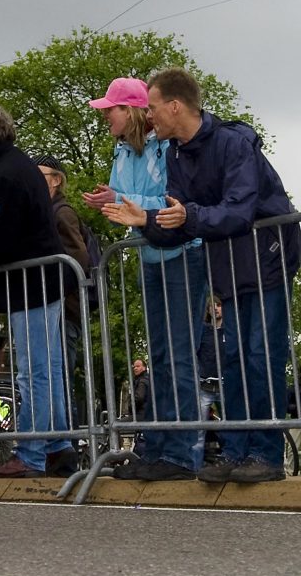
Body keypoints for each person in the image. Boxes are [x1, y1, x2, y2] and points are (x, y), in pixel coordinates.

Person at [104, 67, 300, 484]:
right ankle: (236, 451)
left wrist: (185, 216)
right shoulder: (176, 153)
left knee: (260, 354)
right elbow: (179, 219)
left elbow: (238, 209)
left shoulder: (234, 142)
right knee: (233, 358)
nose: (148, 115)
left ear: (175, 106)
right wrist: (146, 219)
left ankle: (265, 453)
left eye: (153, 107)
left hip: (266, 257)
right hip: (228, 263)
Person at [84, 75, 205, 481]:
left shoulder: (168, 147)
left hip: (183, 255)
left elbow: (173, 203)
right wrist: (110, 202)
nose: (105, 117)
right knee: (159, 357)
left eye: (111, 109)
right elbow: (128, 210)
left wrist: (120, 200)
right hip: (150, 258)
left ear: (132, 111)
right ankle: (156, 446)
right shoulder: (122, 151)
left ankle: (182, 453)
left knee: (178, 355)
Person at [0, 104, 71, 479]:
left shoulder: (5, 174)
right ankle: (58, 448)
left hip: (32, 284)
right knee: (48, 369)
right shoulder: (17, 166)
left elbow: (2, 236)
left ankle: (32, 454)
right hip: (41, 280)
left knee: (34, 372)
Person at [31, 153, 88, 462]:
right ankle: (57, 448)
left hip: (63, 310)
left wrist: (52, 289)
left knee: (60, 378)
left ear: (56, 180)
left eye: (39, 174)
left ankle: (67, 449)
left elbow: (78, 258)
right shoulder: (44, 211)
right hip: (53, 308)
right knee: (51, 378)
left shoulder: (62, 213)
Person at [194, 299, 225, 467]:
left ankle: (231, 461)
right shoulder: (202, 331)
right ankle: (195, 467)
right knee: (198, 432)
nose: (215, 308)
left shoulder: (230, 330)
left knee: (232, 427)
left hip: (226, 386)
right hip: (204, 386)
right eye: (211, 306)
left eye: (219, 305)